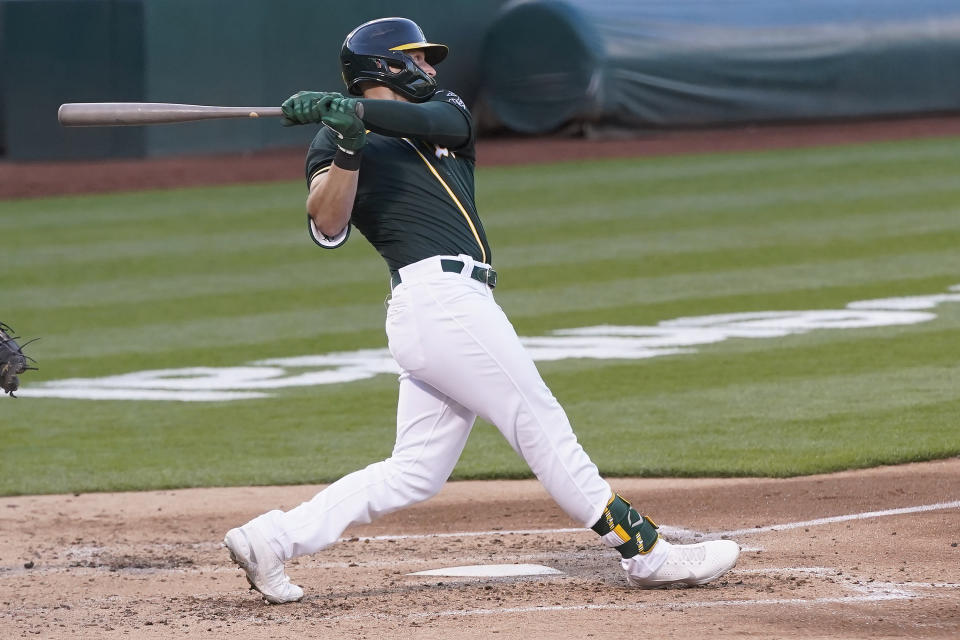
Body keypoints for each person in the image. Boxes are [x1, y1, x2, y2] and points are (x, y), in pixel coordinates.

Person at [223, 17, 739, 604]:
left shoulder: (443, 110)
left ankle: (273, 539)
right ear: (385, 67)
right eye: (417, 58)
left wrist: (353, 112)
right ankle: (647, 553)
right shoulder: (335, 139)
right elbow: (327, 223)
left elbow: (434, 120)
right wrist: (345, 146)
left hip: (448, 310)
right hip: (436, 305)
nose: (431, 68)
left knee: (414, 471)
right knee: (541, 426)